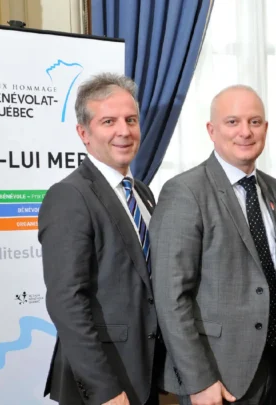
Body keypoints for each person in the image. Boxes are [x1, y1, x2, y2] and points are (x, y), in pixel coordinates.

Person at [150, 85, 276, 405]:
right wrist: (199, 380)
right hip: (216, 375)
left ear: (266, 128)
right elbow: (170, 296)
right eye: (232, 122)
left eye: (255, 122)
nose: (245, 132)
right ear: (211, 130)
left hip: (270, 366)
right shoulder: (185, 192)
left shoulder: (274, 190)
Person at [39, 73, 165, 405]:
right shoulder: (69, 196)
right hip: (103, 386)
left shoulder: (142, 193)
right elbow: (67, 303)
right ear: (84, 133)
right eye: (109, 121)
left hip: (144, 372)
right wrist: (105, 391)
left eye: (131, 120)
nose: (124, 131)